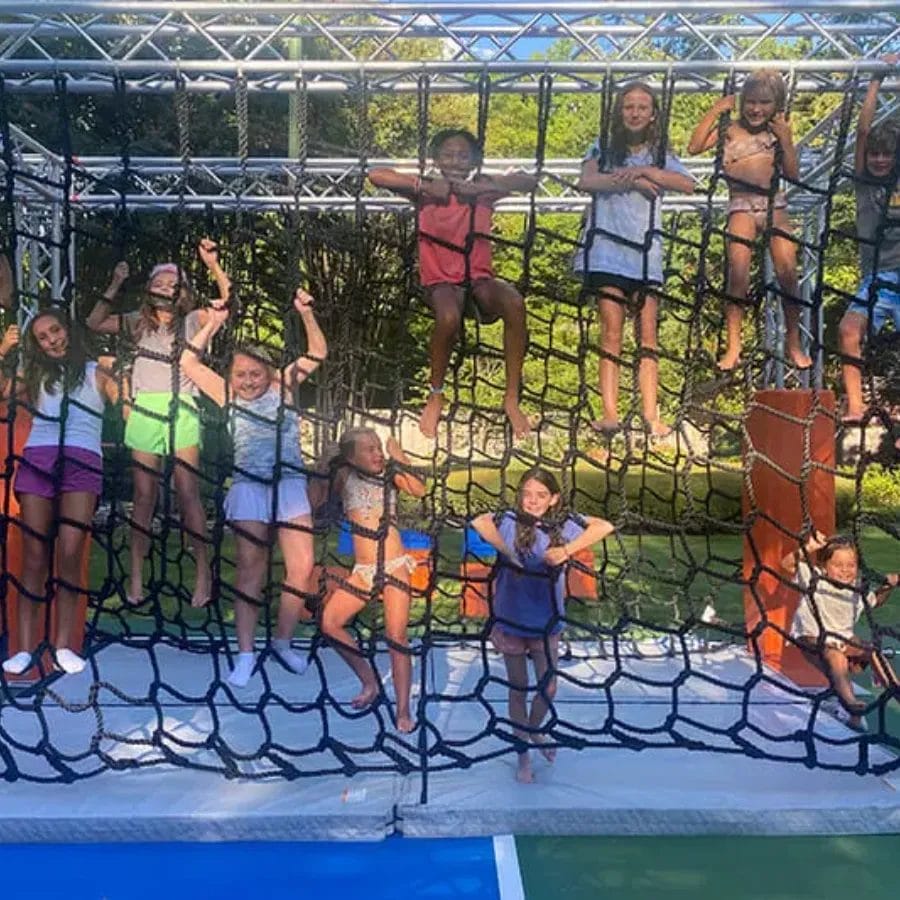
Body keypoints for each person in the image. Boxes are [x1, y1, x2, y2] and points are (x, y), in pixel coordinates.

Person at [179, 288, 326, 687]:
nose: (247, 381)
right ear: (231, 377)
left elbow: (318, 352)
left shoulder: (284, 386)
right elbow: (188, 361)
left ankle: (282, 641)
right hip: (249, 488)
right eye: (241, 374)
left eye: (255, 374)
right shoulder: (225, 392)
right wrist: (213, 324)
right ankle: (245, 654)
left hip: (289, 484)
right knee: (251, 569)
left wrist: (306, 314)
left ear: (269, 373)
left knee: (302, 566)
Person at [86, 239, 230, 608]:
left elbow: (227, 302)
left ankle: (203, 574)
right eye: (160, 282)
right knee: (144, 495)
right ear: (149, 288)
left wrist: (213, 266)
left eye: (173, 283)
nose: (166, 287)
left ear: (183, 291)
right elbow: (94, 322)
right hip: (144, 409)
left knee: (187, 491)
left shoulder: (192, 319)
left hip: (181, 407)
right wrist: (116, 283)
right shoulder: (136, 321)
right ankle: (136, 577)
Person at [368, 129, 538, 439]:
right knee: (448, 318)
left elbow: (529, 181)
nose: (455, 161)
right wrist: (423, 186)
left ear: (473, 160)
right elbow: (376, 175)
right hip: (440, 281)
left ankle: (512, 397)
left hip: (479, 278)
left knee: (514, 302)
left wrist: (486, 186)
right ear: (436, 159)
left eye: (462, 156)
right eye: (448, 155)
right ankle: (436, 394)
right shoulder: (428, 189)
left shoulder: (482, 187)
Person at [471, 467, 614, 782]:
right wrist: (507, 552)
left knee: (548, 686)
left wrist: (565, 551)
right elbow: (479, 522)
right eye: (527, 494)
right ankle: (522, 754)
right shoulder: (509, 521)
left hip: (546, 621)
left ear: (554, 499)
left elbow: (604, 526)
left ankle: (534, 730)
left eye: (541, 495)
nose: (532, 501)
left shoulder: (563, 526)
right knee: (518, 688)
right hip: (510, 619)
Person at [0, 308, 120, 675]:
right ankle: (24, 647)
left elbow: (127, 403)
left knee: (69, 552)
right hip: (39, 458)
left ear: (68, 330)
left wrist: (126, 375)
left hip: (82, 461)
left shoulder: (97, 372)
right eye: (43, 338)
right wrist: (3, 352)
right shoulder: (35, 376)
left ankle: (64, 644)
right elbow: (3, 393)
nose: (52, 340)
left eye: (55, 331)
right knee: (34, 555)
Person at [575, 82, 694, 437]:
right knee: (611, 332)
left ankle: (651, 415)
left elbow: (687, 184)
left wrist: (646, 174)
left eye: (642, 107)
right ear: (619, 111)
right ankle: (610, 413)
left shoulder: (659, 154)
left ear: (653, 114)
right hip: (607, 250)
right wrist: (630, 183)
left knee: (648, 335)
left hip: (644, 255)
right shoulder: (603, 148)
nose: (635, 113)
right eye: (629, 106)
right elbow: (587, 181)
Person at [687, 70, 812, 372]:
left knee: (788, 273)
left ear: (777, 104)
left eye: (764, 103)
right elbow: (694, 146)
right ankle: (734, 345)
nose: (756, 109)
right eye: (751, 102)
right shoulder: (730, 130)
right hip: (740, 204)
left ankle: (794, 341)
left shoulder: (778, 131)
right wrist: (717, 109)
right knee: (738, 274)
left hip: (773, 203)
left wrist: (787, 140)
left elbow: (793, 174)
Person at [318, 428, 426, 733]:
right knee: (330, 622)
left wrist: (399, 456)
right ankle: (369, 681)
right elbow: (315, 500)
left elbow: (419, 490)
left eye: (378, 447)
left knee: (396, 637)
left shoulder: (390, 474)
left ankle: (403, 710)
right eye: (369, 449)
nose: (377, 454)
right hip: (363, 570)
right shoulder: (344, 476)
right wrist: (323, 465)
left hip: (394, 567)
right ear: (351, 458)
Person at [781, 531, 899, 731]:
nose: (845, 570)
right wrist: (808, 548)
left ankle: (894, 688)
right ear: (824, 566)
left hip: (844, 640)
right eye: (838, 565)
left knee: (873, 650)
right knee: (836, 657)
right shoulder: (814, 577)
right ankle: (851, 705)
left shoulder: (856, 588)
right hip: (812, 639)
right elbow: (786, 564)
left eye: (851, 565)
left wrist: (888, 586)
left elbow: (875, 601)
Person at [838, 55, 900, 424]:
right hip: (876, 278)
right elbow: (863, 132)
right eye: (875, 154)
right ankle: (856, 405)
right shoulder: (864, 184)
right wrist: (876, 79)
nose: (878, 160)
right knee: (848, 330)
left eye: (886, 154)